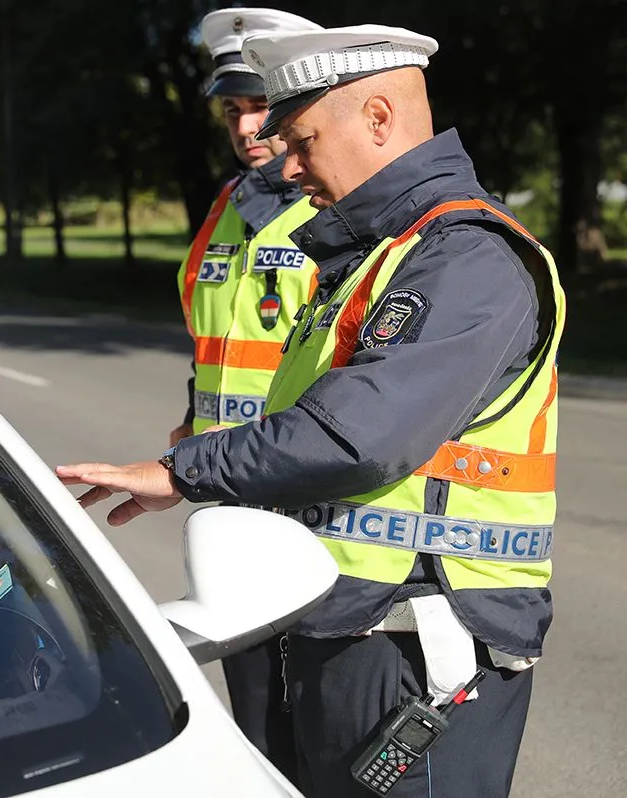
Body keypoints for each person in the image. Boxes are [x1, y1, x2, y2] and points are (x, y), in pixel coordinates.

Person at [58, 23, 564, 798]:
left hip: (420, 640)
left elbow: (357, 436)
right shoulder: (377, 251)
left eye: (303, 140)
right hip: (350, 619)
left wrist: (181, 470)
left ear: (378, 119)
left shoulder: (466, 256)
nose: (288, 164)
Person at [169, 6, 322, 782]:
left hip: (312, 506)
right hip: (230, 506)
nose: (247, 124)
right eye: (234, 109)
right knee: (261, 738)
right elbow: (215, 348)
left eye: (262, 104)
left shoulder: (339, 211)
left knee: (325, 741)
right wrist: (192, 423)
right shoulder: (226, 210)